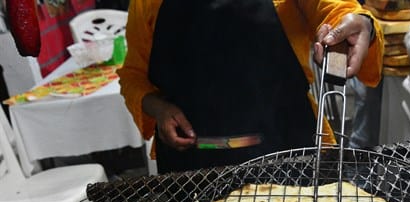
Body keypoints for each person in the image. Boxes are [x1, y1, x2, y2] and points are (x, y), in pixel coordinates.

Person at [118, 0, 384, 174]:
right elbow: (133, 76)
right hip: (192, 166)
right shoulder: (147, 4)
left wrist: (362, 23)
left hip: (288, 151)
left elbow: (336, 10)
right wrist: (159, 108)